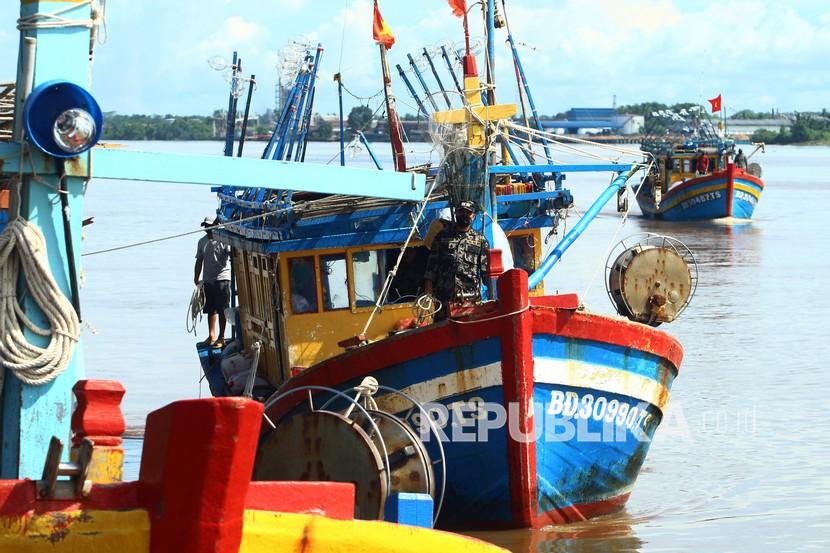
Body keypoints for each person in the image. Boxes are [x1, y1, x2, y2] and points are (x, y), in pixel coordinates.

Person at [423, 201, 490, 322]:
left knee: (469, 331)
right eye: (461, 211)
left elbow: (487, 273)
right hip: (444, 297)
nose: (464, 215)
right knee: (442, 331)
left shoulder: (480, 241)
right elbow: (431, 265)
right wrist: (428, 290)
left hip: (469, 298)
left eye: (468, 213)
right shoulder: (442, 236)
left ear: (473, 216)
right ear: (455, 213)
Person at [194, 216, 231, 347]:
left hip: (222, 279)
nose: (207, 229)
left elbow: (232, 255)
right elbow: (199, 261)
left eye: (209, 226)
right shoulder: (202, 242)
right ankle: (211, 335)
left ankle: (221, 337)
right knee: (210, 309)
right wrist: (196, 278)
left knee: (222, 309)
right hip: (208, 280)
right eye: (205, 226)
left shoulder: (223, 241)